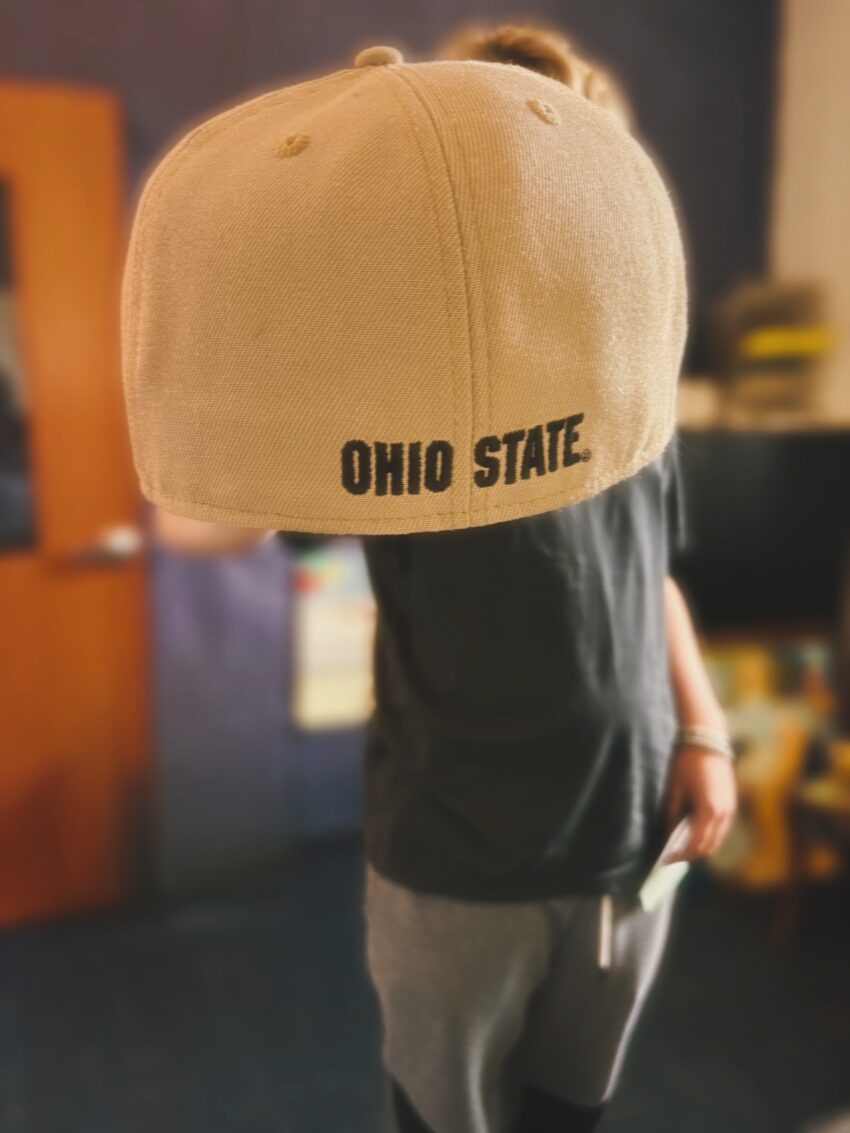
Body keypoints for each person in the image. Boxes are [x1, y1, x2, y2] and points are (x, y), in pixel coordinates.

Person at [142, 23, 738, 1133]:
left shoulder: (630, 385)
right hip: (458, 859)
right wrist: (236, 398)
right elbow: (203, 529)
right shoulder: (411, 385)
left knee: (572, 1111)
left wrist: (701, 732)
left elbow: (653, 574)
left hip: (624, 835)